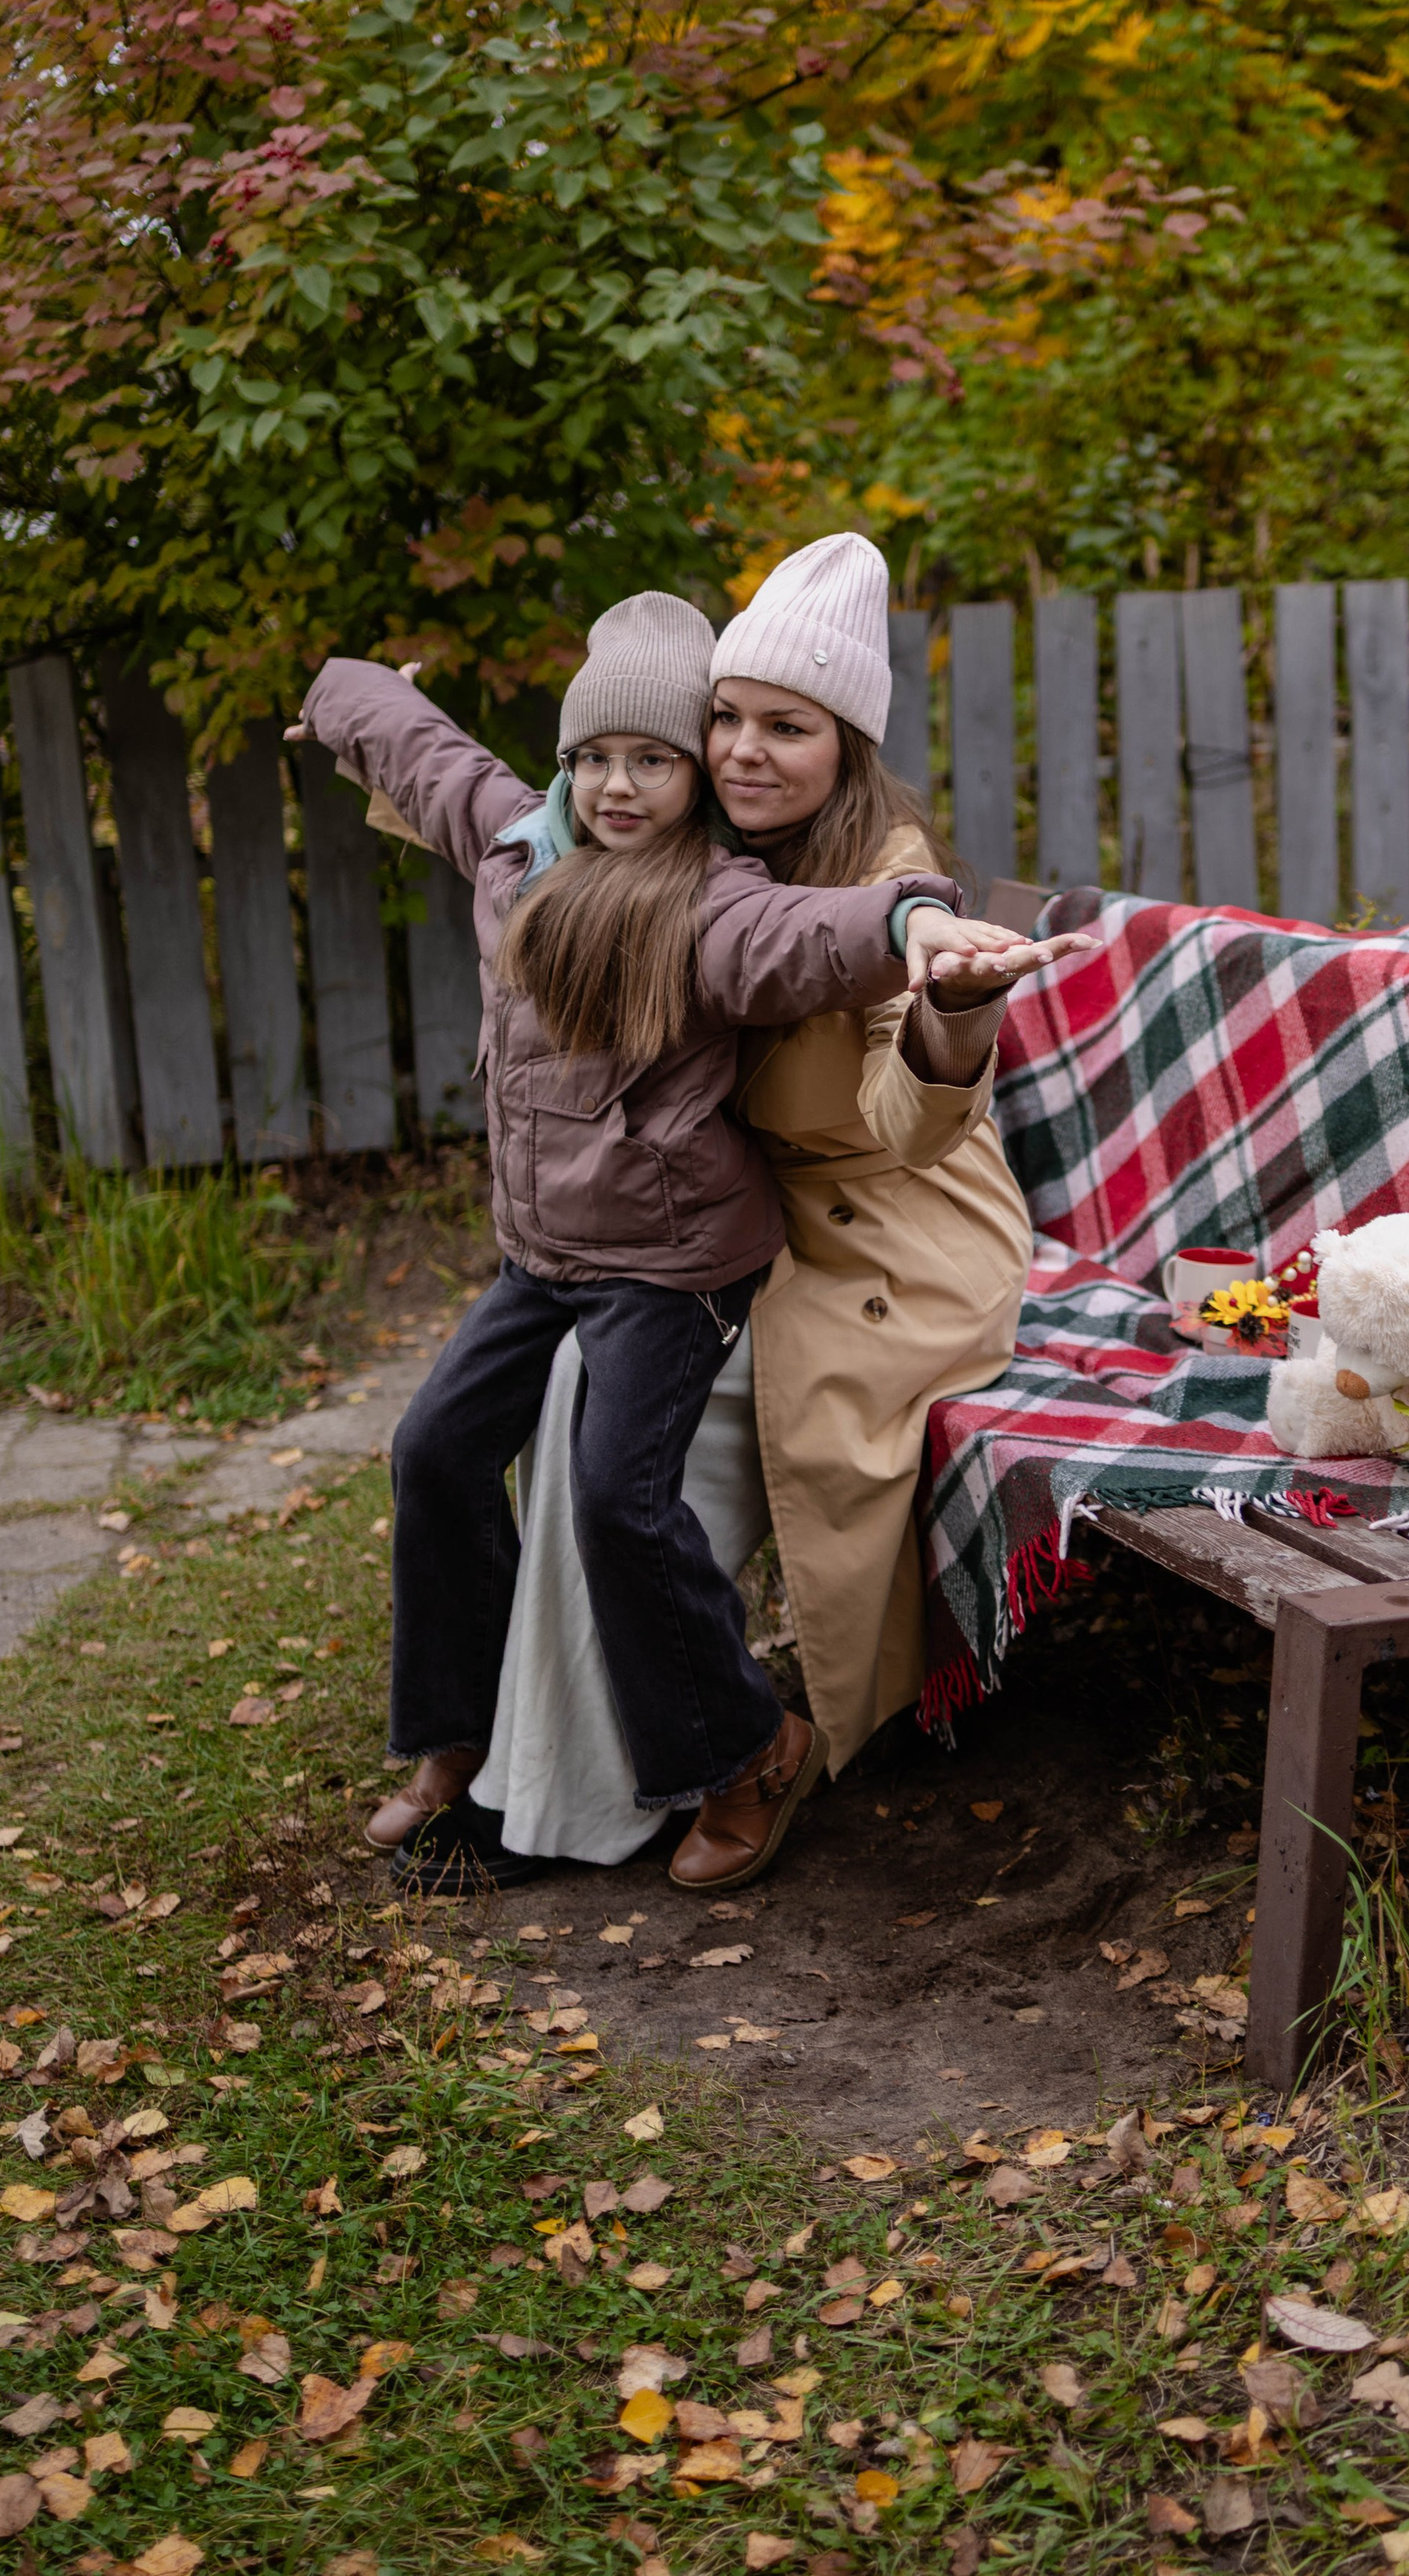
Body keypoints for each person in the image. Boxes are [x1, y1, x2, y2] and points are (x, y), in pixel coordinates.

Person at [295, 588, 1032, 1881]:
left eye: (659, 758)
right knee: (435, 1453)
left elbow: (820, 935)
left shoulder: (713, 899)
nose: (622, 784)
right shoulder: (522, 843)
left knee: (612, 1497)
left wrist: (919, 926)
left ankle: (749, 1746)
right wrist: (342, 686)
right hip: (547, 1253)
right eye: (596, 757)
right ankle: (458, 1739)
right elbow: (429, 754)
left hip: (690, 1263)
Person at [467, 533, 1076, 1892]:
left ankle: (751, 1746)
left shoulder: (884, 876)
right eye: (727, 719)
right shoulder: (682, 840)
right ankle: (561, 1788)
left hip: (884, 1239)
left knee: (634, 1437)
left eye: (786, 728)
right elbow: (512, 813)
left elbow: (910, 1123)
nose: (745, 750)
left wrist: (955, 1013)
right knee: (574, 1385)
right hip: (725, 1231)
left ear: (846, 746)